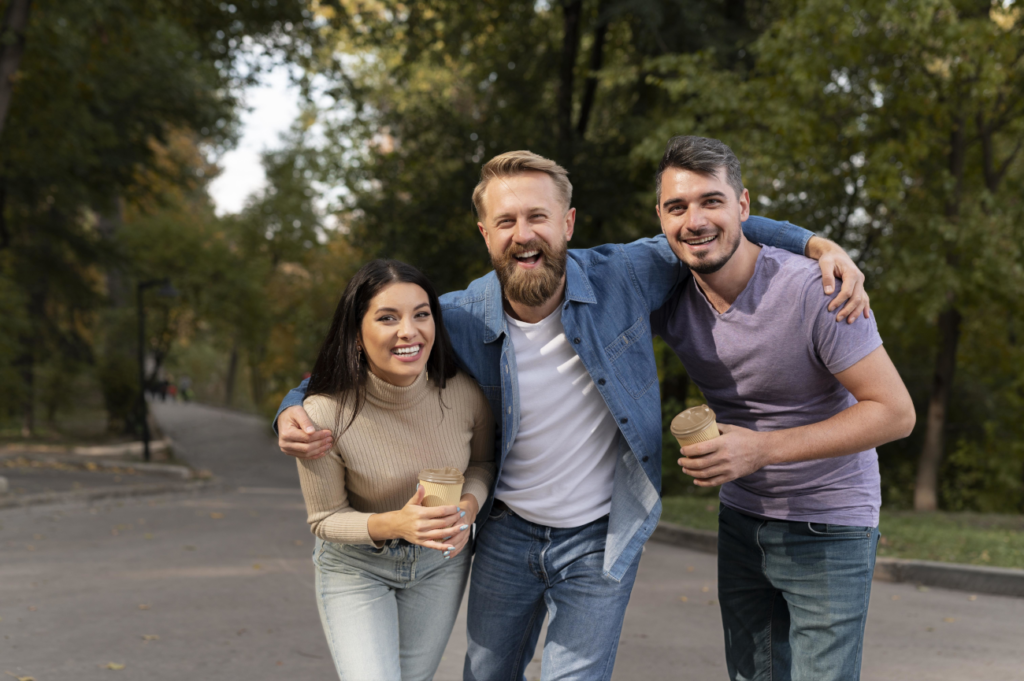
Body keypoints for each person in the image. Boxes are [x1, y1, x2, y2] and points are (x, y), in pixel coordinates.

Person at [275, 151, 870, 680]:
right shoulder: (455, 318)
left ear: (568, 223)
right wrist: (291, 407)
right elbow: (347, 366)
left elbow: (712, 227)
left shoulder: (625, 275)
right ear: (485, 234)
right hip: (506, 529)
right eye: (506, 221)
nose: (523, 233)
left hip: (600, 538)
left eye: (538, 217)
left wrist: (817, 244)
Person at [649, 136, 916, 681]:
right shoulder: (668, 294)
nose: (694, 220)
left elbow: (894, 412)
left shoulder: (817, 290)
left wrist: (762, 449)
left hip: (830, 524)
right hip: (742, 520)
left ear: (744, 206)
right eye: (677, 207)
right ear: (660, 217)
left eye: (712, 201)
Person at [296, 259, 495, 680]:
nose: (409, 331)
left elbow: (481, 463)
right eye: (388, 318)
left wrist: (469, 509)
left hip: (440, 565)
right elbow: (325, 518)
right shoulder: (322, 414)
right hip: (356, 567)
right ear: (356, 332)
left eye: (421, 315)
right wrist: (398, 524)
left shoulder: (464, 393)